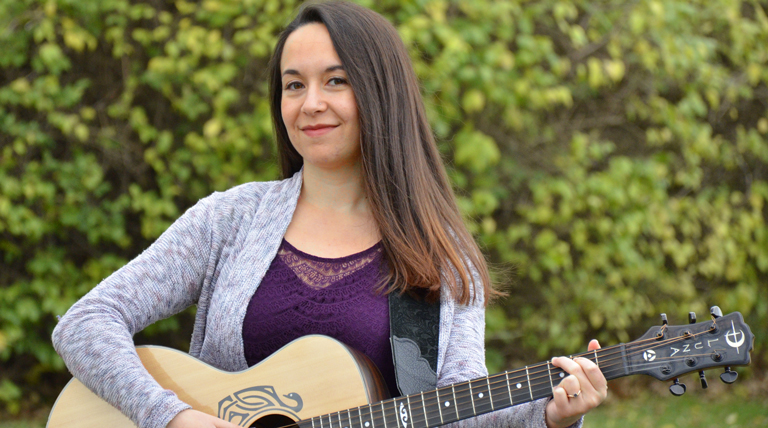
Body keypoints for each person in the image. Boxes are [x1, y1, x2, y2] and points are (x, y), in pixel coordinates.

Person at [51, 2, 607, 428]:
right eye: (294, 85)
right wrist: (172, 416)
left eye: (335, 81)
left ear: (380, 95)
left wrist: (552, 414)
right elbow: (84, 323)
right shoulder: (231, 220)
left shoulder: (440, 253)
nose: (309, 103)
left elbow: (461, 404)